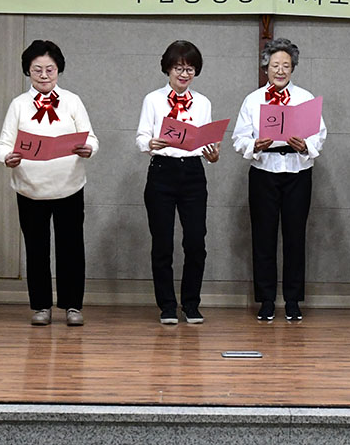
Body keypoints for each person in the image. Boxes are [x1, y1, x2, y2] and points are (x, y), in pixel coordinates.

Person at [0, 40, 98, 327]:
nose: (44, 75)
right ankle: (41, 306)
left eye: (49, 69)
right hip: (30, 188)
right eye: (37, 69)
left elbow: (91, 138)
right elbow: (3, 143)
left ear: (58, 70)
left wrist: (89, 148)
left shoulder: (72, 101)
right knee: (36, 249)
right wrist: (7, 157)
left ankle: (72, 305)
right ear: (27, 71)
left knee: (71, 248)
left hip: (69, 187)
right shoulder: (18, 104)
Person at [233, 38, 327, 322]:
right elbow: (239, 138)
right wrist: (255, 145)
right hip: (264, 170)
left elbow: (319, 134)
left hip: (298, 171)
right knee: (263, 237)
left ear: (293, 68)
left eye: (286, 65)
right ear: (266, 67)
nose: (280, 70)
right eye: (275, 65)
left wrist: (306, 146)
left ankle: (293, 300)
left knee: (295, 236)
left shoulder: (305, 97)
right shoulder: (253, 100)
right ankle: (266, 300)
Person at [136, 40, 221, 325]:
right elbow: (141, 138)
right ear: (168, 69)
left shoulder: (203, 102)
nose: (184, 74)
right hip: (162, 171)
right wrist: (151, 143)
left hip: (193, 172)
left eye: (190, 69)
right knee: (162, 243)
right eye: (179, 68)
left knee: (196, 241)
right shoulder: (153, 99)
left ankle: (191, 303)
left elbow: (207, 144)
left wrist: (213, 155)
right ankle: (167, 305)